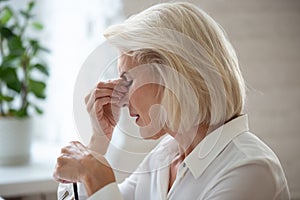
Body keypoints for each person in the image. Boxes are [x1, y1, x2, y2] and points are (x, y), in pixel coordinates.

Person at [53, 2, 290, 199]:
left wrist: (98, 176)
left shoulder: (249, 169)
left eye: (128, 80)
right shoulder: (164, 158)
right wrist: (98, 143)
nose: (120, 99)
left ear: (172, 78)